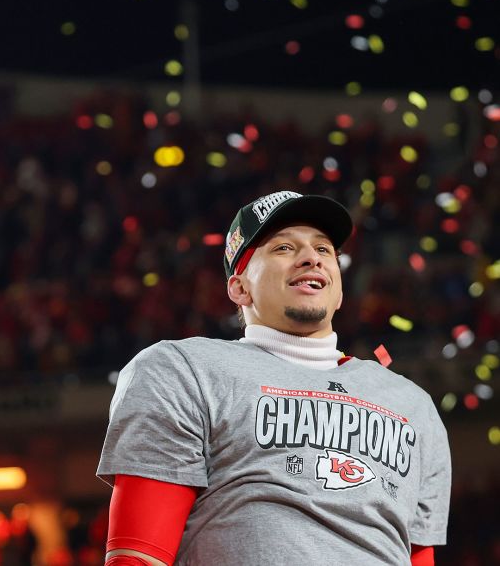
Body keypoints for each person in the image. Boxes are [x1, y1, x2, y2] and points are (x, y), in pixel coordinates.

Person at [98, 190, 451, 566]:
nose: (311, 257)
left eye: (324, 250)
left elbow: (417, 556)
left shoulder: (413, 405)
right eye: (283, 247)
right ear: (239, 287)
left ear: (340, 290)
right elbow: (137, 556)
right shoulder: (183, 370)